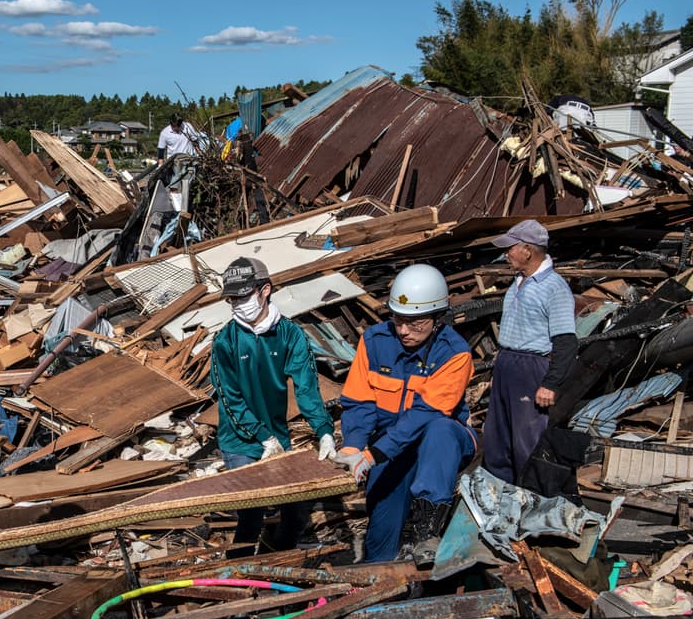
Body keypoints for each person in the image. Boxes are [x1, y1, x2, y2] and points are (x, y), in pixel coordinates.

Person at [335, 264, 476, 565]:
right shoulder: (374, 341)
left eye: (415, 323)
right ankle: (378, 583)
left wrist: (373, 455)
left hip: (439, 446)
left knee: (439, 429)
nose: (403, 331)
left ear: (438, 318)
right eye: (398, 319)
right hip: (390, 447)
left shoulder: (454, 352)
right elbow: (360, 401)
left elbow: (427, 413)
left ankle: (427, 528)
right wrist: (353, 445)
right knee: (381, 532)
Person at [211, 258, 337, 556]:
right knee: (251, 511)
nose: (237, 304)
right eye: (232, 298)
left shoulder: (291, 335)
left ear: (264, 290)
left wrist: (324, 430)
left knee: (296, 510)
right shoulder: (224, 341)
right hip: (239, 441)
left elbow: (307, 388)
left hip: (277, 436)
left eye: (242, 296)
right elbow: (230, 401)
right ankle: (238, 572)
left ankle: (275, 559)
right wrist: (261, 436)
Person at [483, 219, 577, 485]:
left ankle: (534, 499)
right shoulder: (519, 282)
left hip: (531, 367)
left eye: (510, 248)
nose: (506, 254)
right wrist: (499, 368)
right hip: (507, 364)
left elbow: (566, 341)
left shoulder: (554, 287)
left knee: (527, 440)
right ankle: (500, 497)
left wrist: (551, 383)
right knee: (497, 436)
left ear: (527, 250)